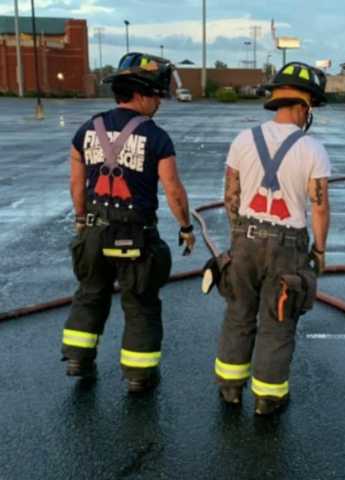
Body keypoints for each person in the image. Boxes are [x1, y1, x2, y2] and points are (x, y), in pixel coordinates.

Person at [62, 52, 195, 393]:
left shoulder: (87, 129)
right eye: (155, 95)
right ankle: (138, 376)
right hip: (135, 237)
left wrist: (82, 220)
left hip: (93, 229)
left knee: (90, 293)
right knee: (140, 303)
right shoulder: (156, 137)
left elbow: (77, 184)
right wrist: (186, 228)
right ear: (139, 93)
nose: (158, 103)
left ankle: (78, 358)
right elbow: (174, 191)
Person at [213, 62, 331, 415]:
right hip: (288, 246)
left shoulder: (243, 140)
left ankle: (230, 389)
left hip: (245, 239)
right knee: (278, 323)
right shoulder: (313, 149)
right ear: (303, 104)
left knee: (238, 314)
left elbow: (230, 195)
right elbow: (320, 207)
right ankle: (268, 399)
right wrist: (320, 250)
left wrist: (239, 236)